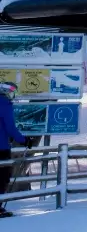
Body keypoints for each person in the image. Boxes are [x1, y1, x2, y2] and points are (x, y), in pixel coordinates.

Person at [0, 82, 27, 218]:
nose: (12, 95)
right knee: (3, 176)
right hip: (1, 147)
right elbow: (10, 127)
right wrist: (23, 140)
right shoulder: (4, 104)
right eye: (11, 91)